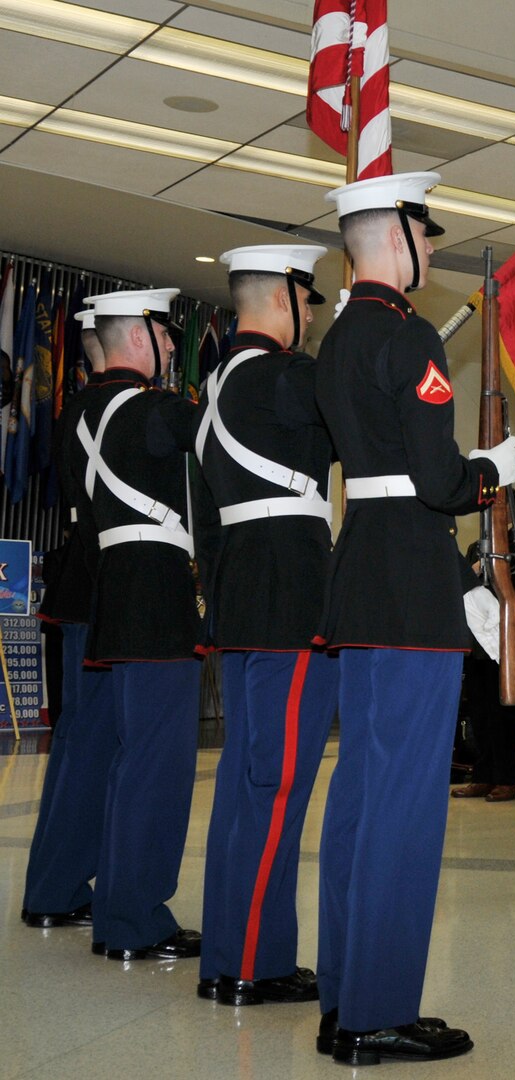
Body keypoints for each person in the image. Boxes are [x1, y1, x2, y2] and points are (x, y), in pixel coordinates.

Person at [314, 171, 515, 1065]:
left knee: (360, 802)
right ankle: (378, 1013)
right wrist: (492, 471)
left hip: (362, 580)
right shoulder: (410, 335)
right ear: (393, 234)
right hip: (410, 588)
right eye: (425, 233)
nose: (431, 248)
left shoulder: (332, 339)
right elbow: (439, 481)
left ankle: (342, 998)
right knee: (401, 812)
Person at [194, 245, 336, 1008]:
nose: (310, 316)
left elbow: (204, 523)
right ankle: (254, 964)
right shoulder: (282, 379)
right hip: (290, 595)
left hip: (245, 599)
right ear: (281, 297)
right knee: (277, 788)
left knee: (246, 792)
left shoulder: (214, 384)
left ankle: (230, 954)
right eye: (307, 302)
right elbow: (359, 421)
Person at [63, 287, 206, 963]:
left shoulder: (82, 412)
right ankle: (132, 918)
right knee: (157, 766)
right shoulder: (153, 410)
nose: (174, 346)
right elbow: (224, 436)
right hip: (155, 596)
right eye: (165, 334)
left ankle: (120, 906)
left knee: (129, 764)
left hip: (114, 593)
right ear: (139, 337)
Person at [20, 308, 114, 931]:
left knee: (80, 743)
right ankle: (57, 888)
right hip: (101, 585)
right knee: (90, 745)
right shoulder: (109, 409)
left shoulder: (78, 406)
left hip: (81, 581)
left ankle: (53, 882)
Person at [452, 530, 515, 803]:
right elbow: (463, 589)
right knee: (479, 715)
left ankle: (505, 780)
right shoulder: (474, 547)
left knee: (505, 715)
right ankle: (482, 776)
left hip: (507, 641)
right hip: (477, 644)